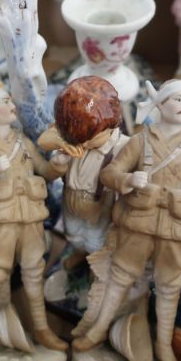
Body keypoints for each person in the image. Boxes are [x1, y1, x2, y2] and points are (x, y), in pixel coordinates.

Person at [72, 79, 181, 361]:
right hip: (138, 223)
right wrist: (127, 179)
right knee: (119, 278)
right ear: (160, 103)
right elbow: (109, 174)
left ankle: (163, 343)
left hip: (176, 228)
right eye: (178, 99)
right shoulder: (140, 140)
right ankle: (99, 329)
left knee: (169, 286)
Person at [0, 85, 70, 361]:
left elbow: (43, 173)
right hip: (2, 222)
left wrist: (58, 164)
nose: (12, 106)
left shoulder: (24, 142)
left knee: (34, 275)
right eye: (6, 102)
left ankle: (42, 329)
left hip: (30, 219)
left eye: (10, 100)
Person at [38, 76, 130, 268]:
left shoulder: (120, 145)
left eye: (90, 138)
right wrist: (63, 143)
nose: (83, 143)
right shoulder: (71, 136)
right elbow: (44, 139)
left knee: (95, 240)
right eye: (78, 137)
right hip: (70, 197)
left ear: (110, 125)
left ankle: (95, 267)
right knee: (74, 234)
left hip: (98, 202)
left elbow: (136, 155)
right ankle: (79, 255)